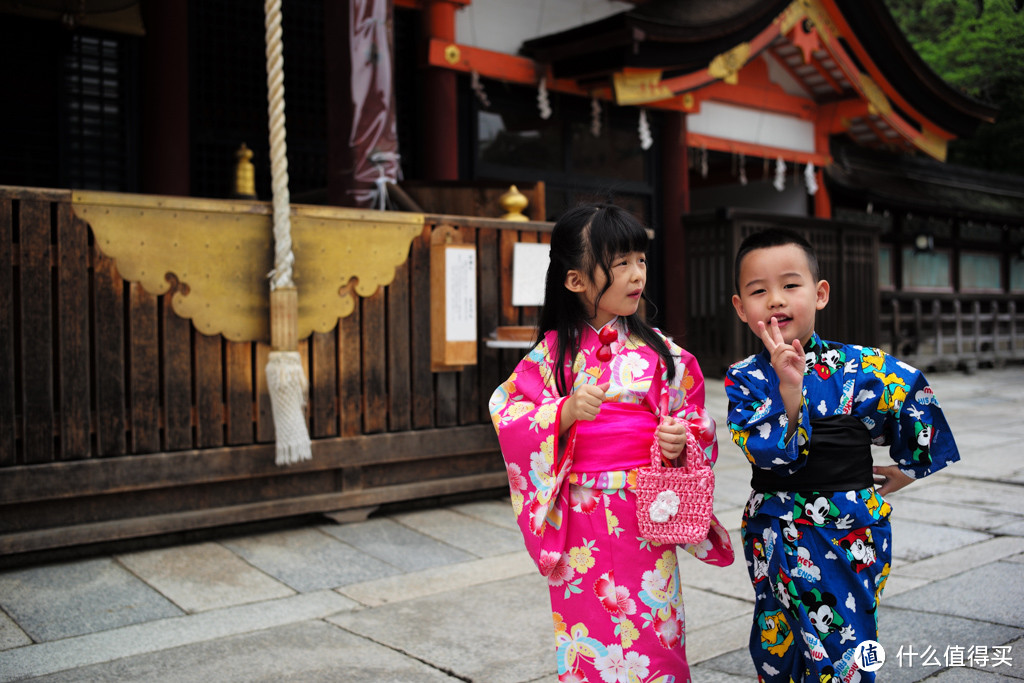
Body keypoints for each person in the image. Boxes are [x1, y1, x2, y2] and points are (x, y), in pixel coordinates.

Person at [489, 203, 734, 683]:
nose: (636, 274)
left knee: (654, 624)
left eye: (640, 260)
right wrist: (562, 411)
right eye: (619, 263)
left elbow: (696, 420)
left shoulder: (666, 355)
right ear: (576, 280)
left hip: (645, 512)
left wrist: (678, 438)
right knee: (587, 630)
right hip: (580, 517)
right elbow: (508, 411)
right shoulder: (550, 358)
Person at [725, 228, 961, 682]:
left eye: (790, 285)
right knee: (777, 637)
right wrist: (790, 392)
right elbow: (768, 453)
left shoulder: (863, 367)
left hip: (848, 525)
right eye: (759, 291)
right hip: (773, 526)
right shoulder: (745, 377)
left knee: (845, 642)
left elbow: (912, 393)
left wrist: (908, 468)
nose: (775, 300)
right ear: (740, 307)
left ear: (820, 294)